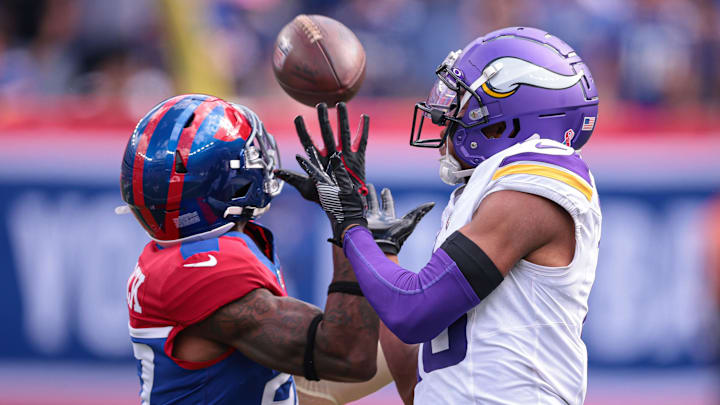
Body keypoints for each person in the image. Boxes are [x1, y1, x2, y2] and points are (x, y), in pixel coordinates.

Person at [292, 26, 602, 405]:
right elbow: (417, 385)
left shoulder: (539, 177)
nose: (446, 116)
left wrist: (351, 225)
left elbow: (414, 309)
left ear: (507, 117)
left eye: (461, 101)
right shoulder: (486, 192)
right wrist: (379, 248)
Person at [118, 94, 427, 404]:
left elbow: (297, 376)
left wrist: (370, 247)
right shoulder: (204, 269)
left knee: (430, 342)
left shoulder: (186, 254)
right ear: (231, 182)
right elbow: (347, 356)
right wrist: (349, 227)